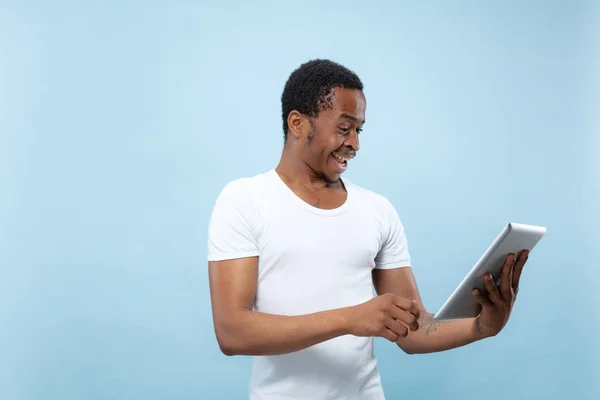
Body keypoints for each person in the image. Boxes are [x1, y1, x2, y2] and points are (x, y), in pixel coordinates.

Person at [207, 59, 529, 400]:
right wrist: (351, 318)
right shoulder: (244, 200)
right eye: (344, 128)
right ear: (298, 123)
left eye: (359, 130)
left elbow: (412, 329)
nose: (355, 144)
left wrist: (482, 327)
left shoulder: (378, 210)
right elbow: (232, 332)